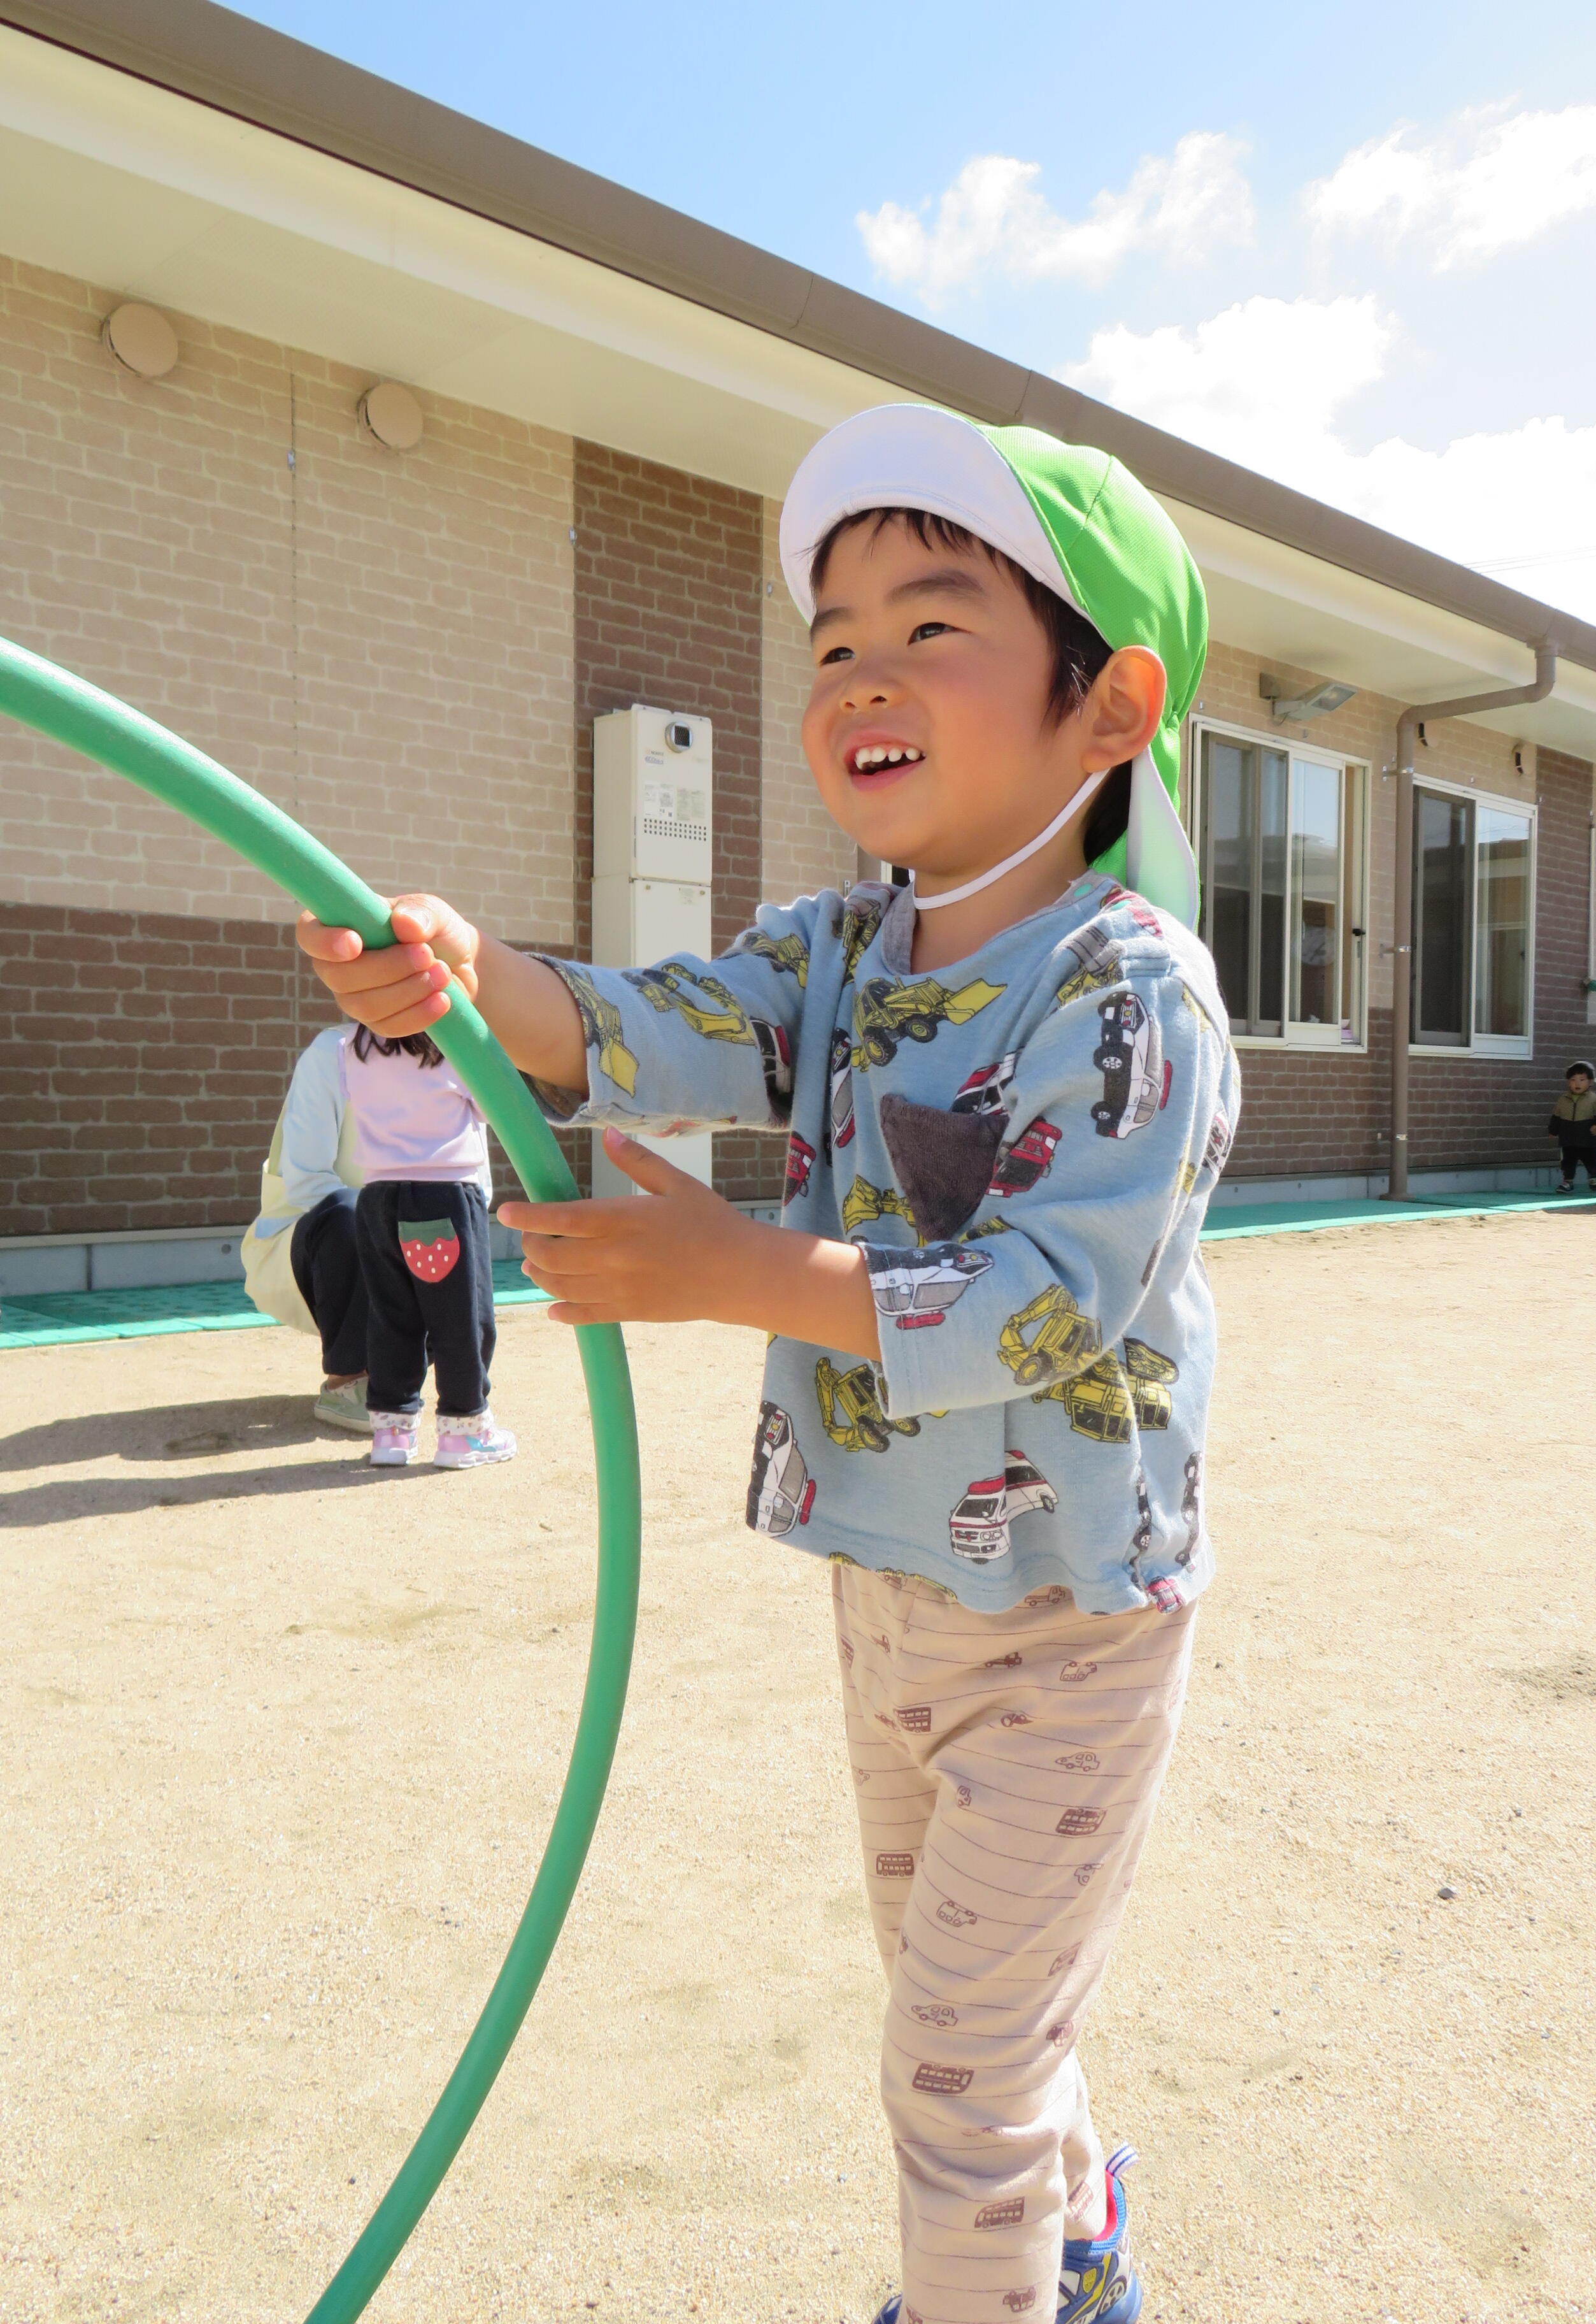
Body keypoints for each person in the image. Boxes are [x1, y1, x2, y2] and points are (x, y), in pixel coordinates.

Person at [298, 405, 1238, 2324]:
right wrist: (470, 978)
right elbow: (632, 1026)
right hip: (893, 1589)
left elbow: (1039, 1303)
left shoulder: (1131, 985)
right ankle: (1078, 2254)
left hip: (1067, 1614)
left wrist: (732, 1266)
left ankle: (989, 2288)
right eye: (832, 639)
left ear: (1110, 708)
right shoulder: (837, 952)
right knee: (962, 2009)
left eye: (933, 622)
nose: (863, 674)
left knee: (951, 2070)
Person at [341, 1024, 516, 1469]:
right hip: (444, 1195)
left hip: (378, 1197)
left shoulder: (352, 1049)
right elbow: (490, 1107)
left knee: (390, 1315)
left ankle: (392, 1432)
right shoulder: (453, 1048)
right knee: (460, 1317)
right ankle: (465, 1430)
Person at [240, 1022, 373, 1433]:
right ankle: (348, 1380)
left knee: (456, 1218)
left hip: (403, 1247)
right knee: (351, 1211)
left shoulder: (454, 1059)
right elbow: (308, 1183)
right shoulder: (334, 1051)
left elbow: (475, 1185)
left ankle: (458, 1391)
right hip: (316, 1247)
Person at [1548, 1058, 1596, 1193]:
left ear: (1590, 1082)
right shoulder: (1563, 1099)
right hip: (1568, 1138)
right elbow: (1557, 1115)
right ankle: (1567, 1182)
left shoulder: (1595, 1100)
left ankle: (1593, 1176)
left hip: (1588, 1138)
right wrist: (1553, 1130)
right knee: (1567, 1161)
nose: (1577, 1083)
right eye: (1573, 1080)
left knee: (1591, 1159)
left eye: (1582, 1080)